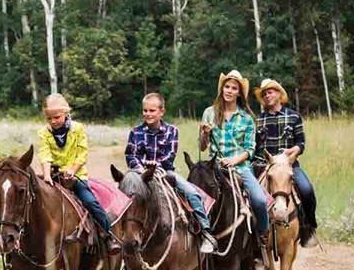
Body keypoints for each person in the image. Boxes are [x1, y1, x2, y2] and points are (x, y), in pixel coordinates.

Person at [124, 93, 218, 254]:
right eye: (145, 110)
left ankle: (205, 231)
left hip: (165, 172)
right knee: (122, 194)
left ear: (162, 111)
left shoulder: (171, 131)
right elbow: (131, 155)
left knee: (191, 192)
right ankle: (116, 235)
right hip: (139, 174)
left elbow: (170, 155)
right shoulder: (136, 132)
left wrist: (155, 167)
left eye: (152, 110)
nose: (148, 114)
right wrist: (142, 170)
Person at [36, 93, 120, 254]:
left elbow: (82, 154)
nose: (53, 121)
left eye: (57, 117)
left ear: (66, 113)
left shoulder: (77, 129)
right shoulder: (44, 133)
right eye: (49, 118)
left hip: (76, 176)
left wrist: (72, 170)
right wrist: (46, 175)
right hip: (54, 176)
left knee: (90, 201)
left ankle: (108, 235)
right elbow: (45, 154)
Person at [198, 70, 270, 247]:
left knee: (260, 200)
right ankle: (198, 235)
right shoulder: (209, 113)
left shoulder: (247, 119)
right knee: (194, 195)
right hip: (214, 167)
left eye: (233, 88)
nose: (229, 91)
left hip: (240, 167)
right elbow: (202, 147)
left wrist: (234, 161)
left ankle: (263, 234)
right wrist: (205, 134)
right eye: (227, 87)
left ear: (239, 93)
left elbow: (250, 149)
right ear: (222, 89)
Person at [252, 78, 318, 248]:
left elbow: (301, 143)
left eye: (270, 92)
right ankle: (252, 237)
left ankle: (308, 228)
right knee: (248, 195)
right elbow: (255, 148)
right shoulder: (259, 120)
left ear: (279, 94)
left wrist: (294, 151)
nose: (267, 96)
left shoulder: (294, 117)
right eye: (264, 94)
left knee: (306, 190)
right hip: (265, 167)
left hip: (289, 166)